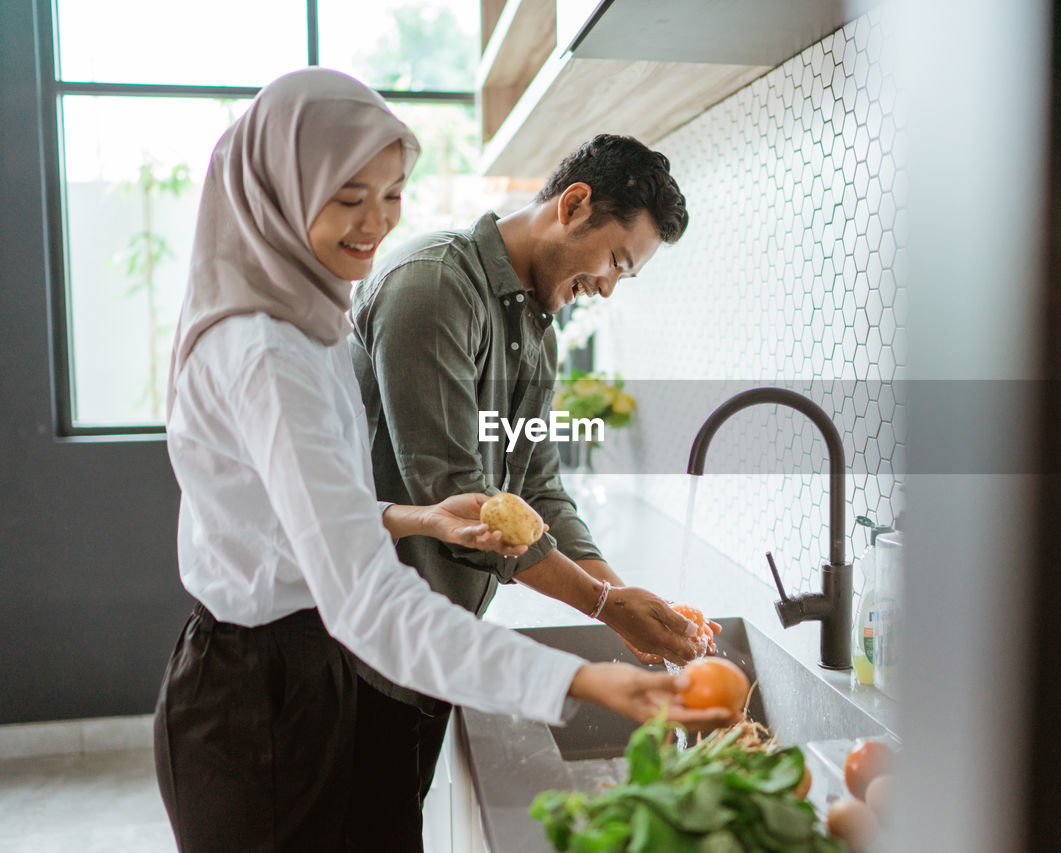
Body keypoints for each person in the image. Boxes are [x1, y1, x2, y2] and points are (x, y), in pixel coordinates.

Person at [154, 69, 732, 853]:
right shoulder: (362, 313)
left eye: (391, 194)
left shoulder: (318, 322)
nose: (377, 222)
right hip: (293, 673)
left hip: (348, 653)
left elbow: (521, 483)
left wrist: (618, 591)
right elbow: (385, 565)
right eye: (350, 195)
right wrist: (587, 651)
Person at [345, 133, 710, 830]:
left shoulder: (534, 325)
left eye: (623, 277)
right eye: (615, 261)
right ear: (573, 205)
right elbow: (457, 495)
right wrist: (604, 602)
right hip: (357, 651)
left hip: (427, 643)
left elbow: (539, 489)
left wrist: (623, 595)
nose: (606, 287)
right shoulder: (433, 285)